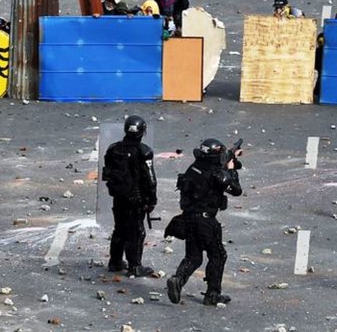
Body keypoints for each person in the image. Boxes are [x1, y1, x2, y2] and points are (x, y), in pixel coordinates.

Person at [166, 138, 242, 306]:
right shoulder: (217, 174)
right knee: (218, 255)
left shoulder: (194, 168)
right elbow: (236, 190)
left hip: (188, 218)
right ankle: (212, 294)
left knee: (193, 257)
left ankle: (178, 279)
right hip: (206, 221)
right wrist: (231, 169)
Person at [102, 115, 157, 277]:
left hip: (119, 196)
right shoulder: (144, 151)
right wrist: (152, 199)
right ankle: (135, 266)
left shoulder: (113, 149)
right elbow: (150, 178)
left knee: (119, 228)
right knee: (137, 231)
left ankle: (115, 261)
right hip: (136, 198)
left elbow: (107, 174)